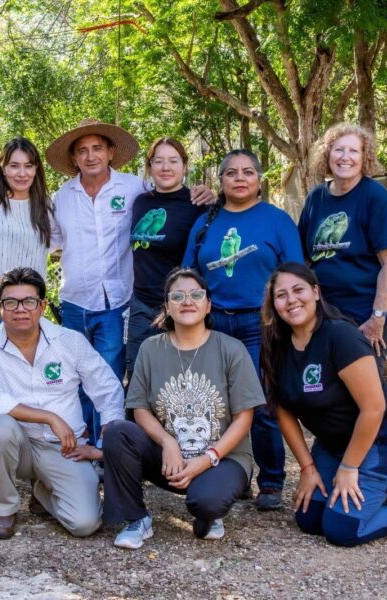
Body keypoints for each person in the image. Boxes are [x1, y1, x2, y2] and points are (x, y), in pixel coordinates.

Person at [45, 119, 213, 447]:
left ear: (110, 152)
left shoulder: (133, 188)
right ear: (74, 158)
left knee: (109, 377)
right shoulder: (62, 196)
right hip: (74, 300)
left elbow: (171, 193)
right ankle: (81, 444)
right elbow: (47, 240)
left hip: (118, 301)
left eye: (97, 148)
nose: (91, 156)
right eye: (82, 150)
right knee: (75, 377)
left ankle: (107, 448)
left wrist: (205, 191)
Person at [260, 262, 387, 546]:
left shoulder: (340, 335)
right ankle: (376, 491)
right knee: (308, 518)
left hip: (381, 440)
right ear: (273, 303)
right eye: (281, 295)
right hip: (332, 445)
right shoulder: (276, 343)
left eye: (298, 290)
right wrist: (307, 468)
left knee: (342, 529)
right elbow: (282, 410)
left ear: (316, 292)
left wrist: (349, 468)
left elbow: (374, 408)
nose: (291, 300)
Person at [103, 268, 261, 548]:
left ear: (208, 304)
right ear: (167, 306)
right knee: (117, 432)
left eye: (196, 295)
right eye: (177, 296)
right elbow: (139, 408)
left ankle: (209, 510)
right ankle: (137, 518)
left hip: (223, 458)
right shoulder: (150, 348)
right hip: (170, 459)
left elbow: (244, 418)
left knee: (207, 502)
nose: (187, 301)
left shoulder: (231, 349)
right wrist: (168, 443)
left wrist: (209, 457)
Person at [183, 149, 304, 511]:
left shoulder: (277, 220)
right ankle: (228, 475)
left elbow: (296, 274)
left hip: (260, 323)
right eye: (231, 173)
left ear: (259, 179)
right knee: (216, 405)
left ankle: (271, 482)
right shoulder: (206, 222)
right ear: (220, 180)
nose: (240, 178)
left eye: (248, 172)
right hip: (214, 322)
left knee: (261, 404)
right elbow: (188, 274)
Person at [0, 267, 125, 539]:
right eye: (11, 302)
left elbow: (107, 388)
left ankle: (42, 490)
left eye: (29, 301)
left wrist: (104, 442)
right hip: (17, 444)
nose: (20, 309)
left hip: (63, 447)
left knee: (85, 523)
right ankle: (4, 508)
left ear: (42, 306)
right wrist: (50, 417)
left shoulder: (70, 341)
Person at [299, 123, 387, 373]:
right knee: (330, 383)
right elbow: (303, 259)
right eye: (338, 150)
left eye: (354, 151)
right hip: (329, 313)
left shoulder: (375, 196)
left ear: (364, 158)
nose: (345, 157)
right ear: (327, 155)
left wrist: (377, 318)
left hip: (367, 312)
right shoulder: (316, 198)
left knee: (364, 383)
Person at [126, 137, 206, 379]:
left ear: (184, 165)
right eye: (158, 161)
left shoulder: (197, 204)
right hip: (141, 306)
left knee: (180, 379)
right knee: (139, 377)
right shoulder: (140, 202)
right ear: (149, 166)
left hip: (181, 307)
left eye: (173, 161)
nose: (165, 167)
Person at [0, 137, 53, 332]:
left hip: (32, 301)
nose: (22, 173)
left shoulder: (46, 205)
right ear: (3, 167)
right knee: (0, 350)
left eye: (28, 166)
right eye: (14, 166)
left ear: (36, 169)